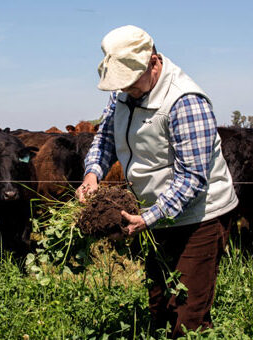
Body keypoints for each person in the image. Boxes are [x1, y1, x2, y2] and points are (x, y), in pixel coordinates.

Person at [76, 25, 238, 338]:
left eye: (130, 80)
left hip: (199, 218)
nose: (126, 89)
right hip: (155, 215)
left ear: (153, 63)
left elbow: (192, 177)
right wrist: (93, 172)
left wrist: (147, 217)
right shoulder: (123, 93)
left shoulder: (184, 101)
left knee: (188, 314)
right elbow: (106, 136)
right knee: (160, 305)